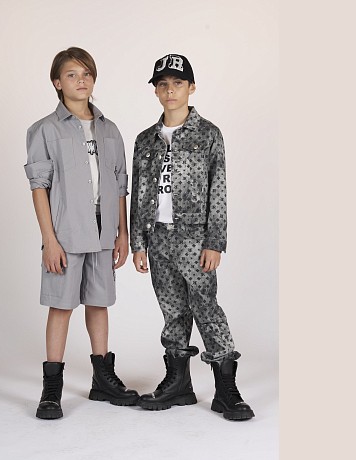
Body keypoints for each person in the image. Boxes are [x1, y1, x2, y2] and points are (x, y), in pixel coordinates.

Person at [130, 53, 254, 420]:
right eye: (163, 84)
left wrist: (215, 242)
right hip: (157, 237)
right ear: (156, 91)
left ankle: (226, 390)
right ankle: (178, 384)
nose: (170, 90)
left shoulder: (208, 134)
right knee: (172, 310)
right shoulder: (145, 140)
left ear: (191, 88)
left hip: (194, 239)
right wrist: (138, 243)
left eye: (178, 83)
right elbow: (138, 193)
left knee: (205, 307)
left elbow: (219, 189)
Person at [24, 47, 138, 420]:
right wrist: (49, 240)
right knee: (61, 305)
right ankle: (51, 388)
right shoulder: (44, 130)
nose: (81, 80)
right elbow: (39, 186)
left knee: (98, 302)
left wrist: (122, 233)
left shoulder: (110, 129)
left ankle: (102, 378)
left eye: (86, 73)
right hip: (66, 232)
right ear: (57, 83)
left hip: (104, 231)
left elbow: (120, 185)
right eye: (72, 74)